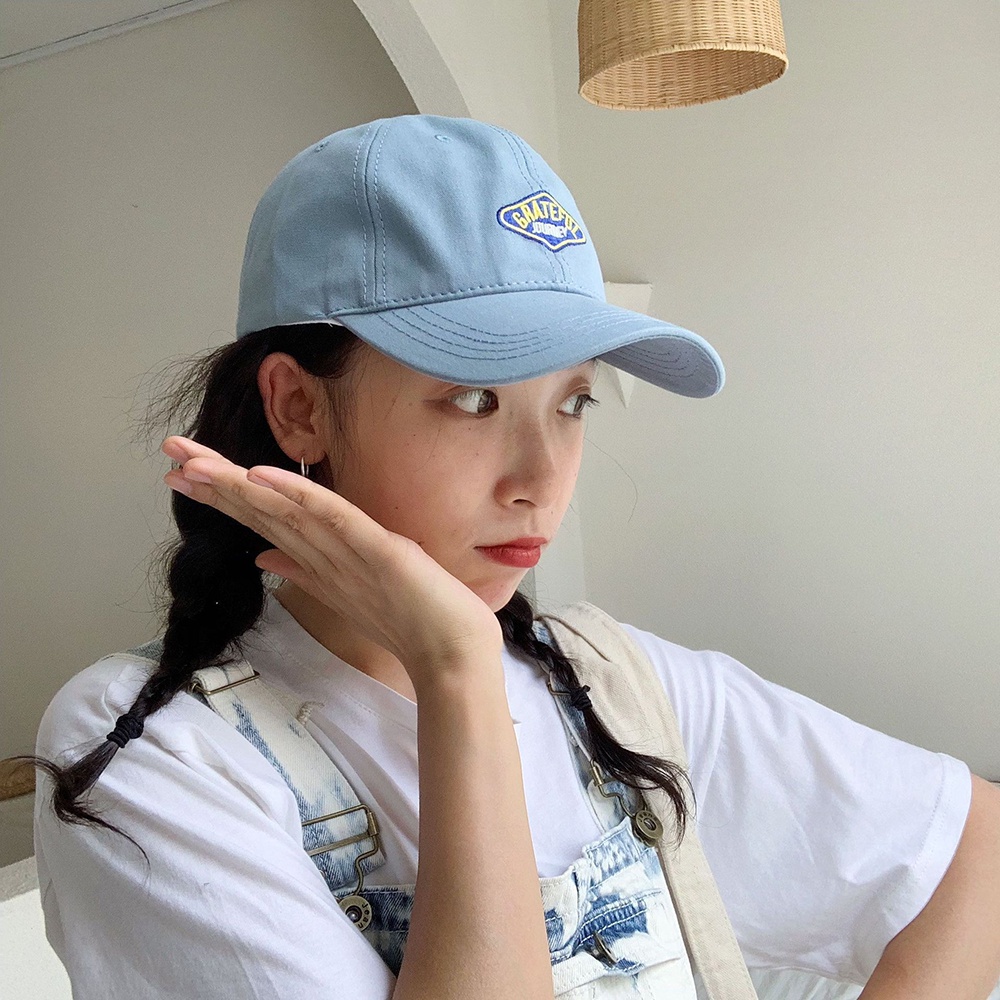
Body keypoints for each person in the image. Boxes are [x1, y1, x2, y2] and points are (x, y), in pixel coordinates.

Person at [29, 114, 985, 1000]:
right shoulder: (154, 752)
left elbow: (976, 852)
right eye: (474, 398)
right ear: (298, 407)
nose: (541, 478)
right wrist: (457, 672)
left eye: (573, 403)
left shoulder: (615, 684)